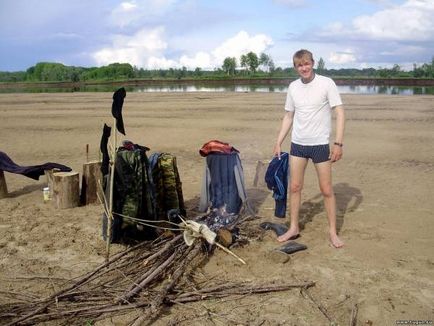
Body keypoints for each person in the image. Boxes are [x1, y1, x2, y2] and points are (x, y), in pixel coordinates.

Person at [273, 49, 345, 248]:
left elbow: (339, 112)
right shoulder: (293, 87)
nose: (304, 68)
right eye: (299, 65)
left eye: (307, 64)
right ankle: (294, 227)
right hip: (298, 144)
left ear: (313, 63)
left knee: (327, 190)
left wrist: (338, 143)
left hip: (320, 145)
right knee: (295, 187)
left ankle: (332, 232)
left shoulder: (326, 83)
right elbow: (289, 116)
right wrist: (279, 141)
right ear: (295, 67)